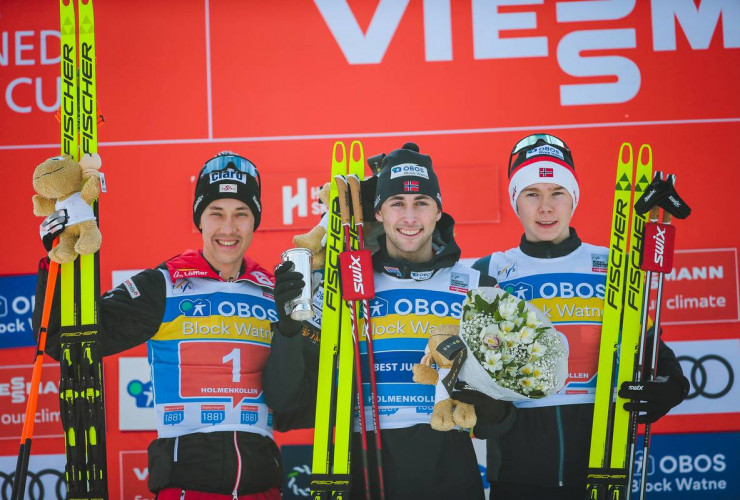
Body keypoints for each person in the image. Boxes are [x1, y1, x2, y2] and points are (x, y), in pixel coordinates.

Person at [35, 152, 304, 499]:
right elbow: (63, 341)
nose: (228, 228)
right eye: (216, 213)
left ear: (255, 221)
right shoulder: (164, 285)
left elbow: (290, 404)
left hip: (263, 487)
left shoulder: (273, 293)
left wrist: (294, 325)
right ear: (200, 220)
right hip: (187, 486)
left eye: (241, 214)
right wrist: (58, 259)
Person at [263, 143, 502, 500]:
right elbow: (286, 405)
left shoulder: (475, 288)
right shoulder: (342, 288)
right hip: (362, 474)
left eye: (422, 203)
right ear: (379, 212)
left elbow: (498, 419)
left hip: (451, 478)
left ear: (438, 211)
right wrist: (289, 327)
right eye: (397, 204)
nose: (409, 217)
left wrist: (470, 381)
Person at [472, 134, 689, 500]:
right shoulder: (489, 271)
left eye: (557, 192)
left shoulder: (612, 266)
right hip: (517, 475)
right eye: (531, 193)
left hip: (600, 465)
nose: (545, 207)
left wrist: (671, 387)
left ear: (573, 198)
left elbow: (654, 352)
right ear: (515, 202)